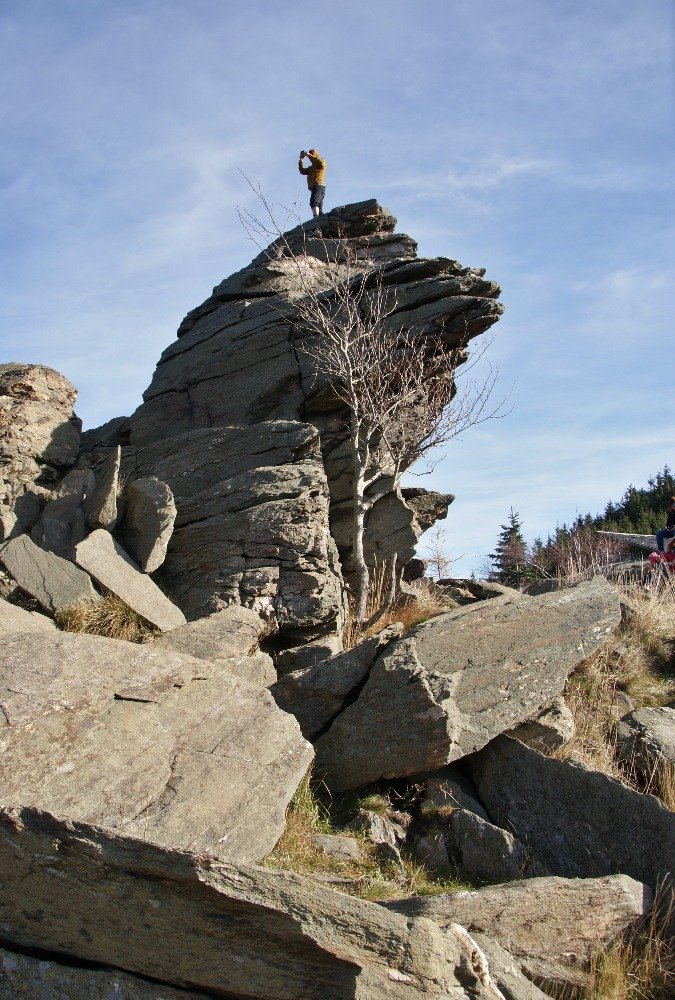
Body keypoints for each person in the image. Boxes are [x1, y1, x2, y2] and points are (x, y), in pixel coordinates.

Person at [298, 148, 326, 217]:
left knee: (314, 201)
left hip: (318, 185)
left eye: (312, 154)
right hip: (315, 187)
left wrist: (307, 154)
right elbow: (302, 171)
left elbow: (316, 159)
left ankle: (316, 216)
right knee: (318, 204)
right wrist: (301, 160)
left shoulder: (321, 162)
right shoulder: (311, 168)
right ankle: (320, 217)